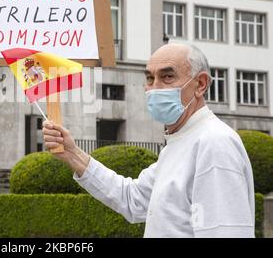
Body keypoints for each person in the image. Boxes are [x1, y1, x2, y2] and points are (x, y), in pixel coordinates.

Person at [42, 43, 255, 238]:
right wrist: (72, 154)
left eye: (167, 77)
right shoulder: (180, 142)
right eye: (150, 78)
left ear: (200, 84)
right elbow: (132, 199)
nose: (154, 88)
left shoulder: (214, 142)